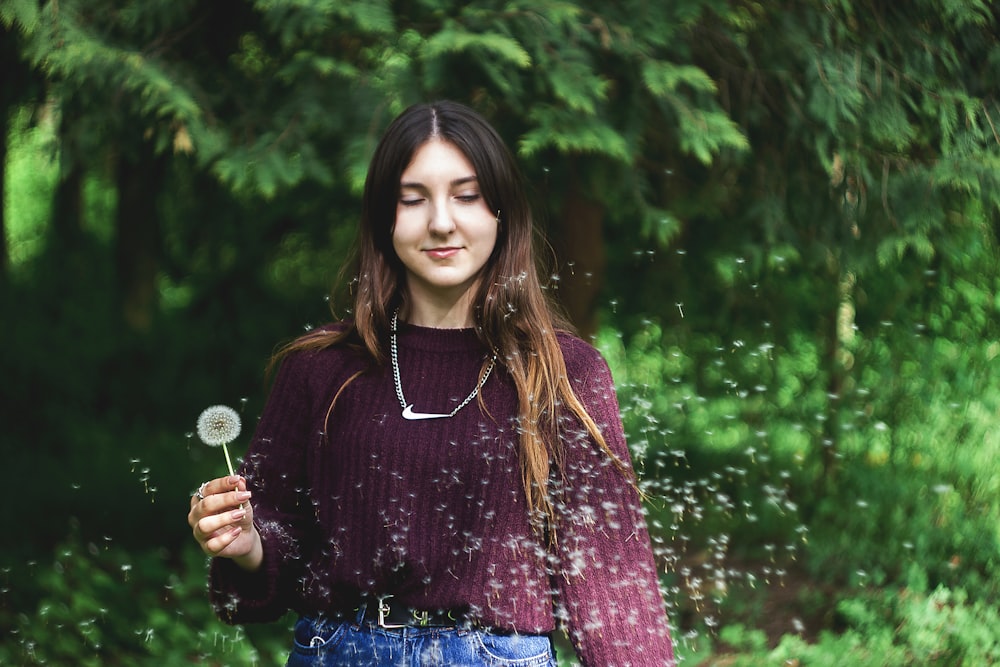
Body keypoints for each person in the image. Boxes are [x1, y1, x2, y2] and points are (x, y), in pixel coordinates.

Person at [188, 100, 676, 666]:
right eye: (413, 199)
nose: (441, 221)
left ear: (502, 212)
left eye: (466, 196)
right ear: (382, 218)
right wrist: (246, 543)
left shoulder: (564, 373)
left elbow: (610, 581)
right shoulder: (319, 368)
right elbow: (278, 542)